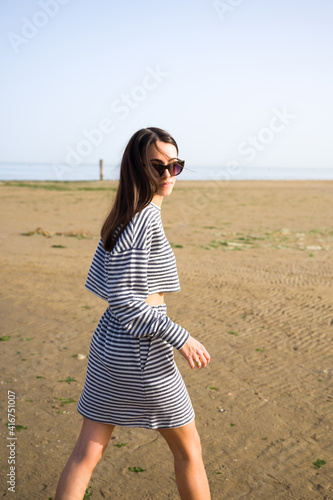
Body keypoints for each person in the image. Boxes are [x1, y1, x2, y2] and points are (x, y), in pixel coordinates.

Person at [55, 127, 211, 500]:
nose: (167, 175)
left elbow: (103, 286)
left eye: (175, 165)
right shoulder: (143, 221)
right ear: (136, 167)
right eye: (157, 166)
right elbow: (125, 301)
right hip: (141, 351)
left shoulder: (123, 217)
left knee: (87, 452)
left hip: (110, 346)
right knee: (188, 451)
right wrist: (181, 337)